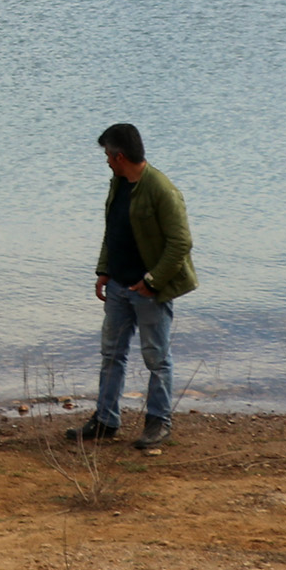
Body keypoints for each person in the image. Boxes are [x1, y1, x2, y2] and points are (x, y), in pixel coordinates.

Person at [67, 121, 196, 453]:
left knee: (156, 358)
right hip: (118, 288)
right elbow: (112, 230)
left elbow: (181, 243)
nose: (106, 162)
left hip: (148, 292)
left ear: (119, 155)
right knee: (112, 354)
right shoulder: (119, 183)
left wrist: (152, 282)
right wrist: (103, 270)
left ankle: (158, 423)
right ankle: (106, 420)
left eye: (108, 156)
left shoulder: (161, 190)